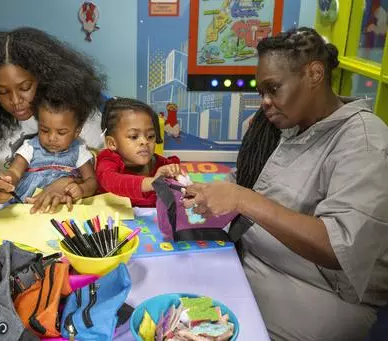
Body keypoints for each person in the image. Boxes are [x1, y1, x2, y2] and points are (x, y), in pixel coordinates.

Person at [183, 27, 388, 341]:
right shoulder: (287, 126)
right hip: (250, 262)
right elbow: (249, 180)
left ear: (314, 74)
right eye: (261, 91)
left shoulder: (365, 142)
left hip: (317, 294)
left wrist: (242, 199)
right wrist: (205, 190)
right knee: (179, 306)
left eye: (273, 89)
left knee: (200, 329)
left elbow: (338, 248)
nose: (265, 101)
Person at [0, 27, 105, 212]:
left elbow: (107, 177)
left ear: (44, 78)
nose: (15, 101)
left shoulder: (75, 111)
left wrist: (70, 183)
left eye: (25, 87)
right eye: (2, 91)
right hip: (11, 216)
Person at [7, 94, 98, 212]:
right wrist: (7, 179)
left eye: (61, 133)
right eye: (44, 130)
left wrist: (81, 189)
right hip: (27, 204)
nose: (51, 138)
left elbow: (92, 181)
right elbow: (14, 171)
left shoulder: (79, 151)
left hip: (61, 206)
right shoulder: (30, 147)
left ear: (76, 132)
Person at [96, 97, 182, 207]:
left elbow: (180, 189)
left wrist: (177, 175)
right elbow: (113, 181)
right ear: (112, 143)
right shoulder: (108, 161)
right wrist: (152, 182)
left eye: (150, 136)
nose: (144, 141)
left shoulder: (159, 164)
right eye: (134, 136)